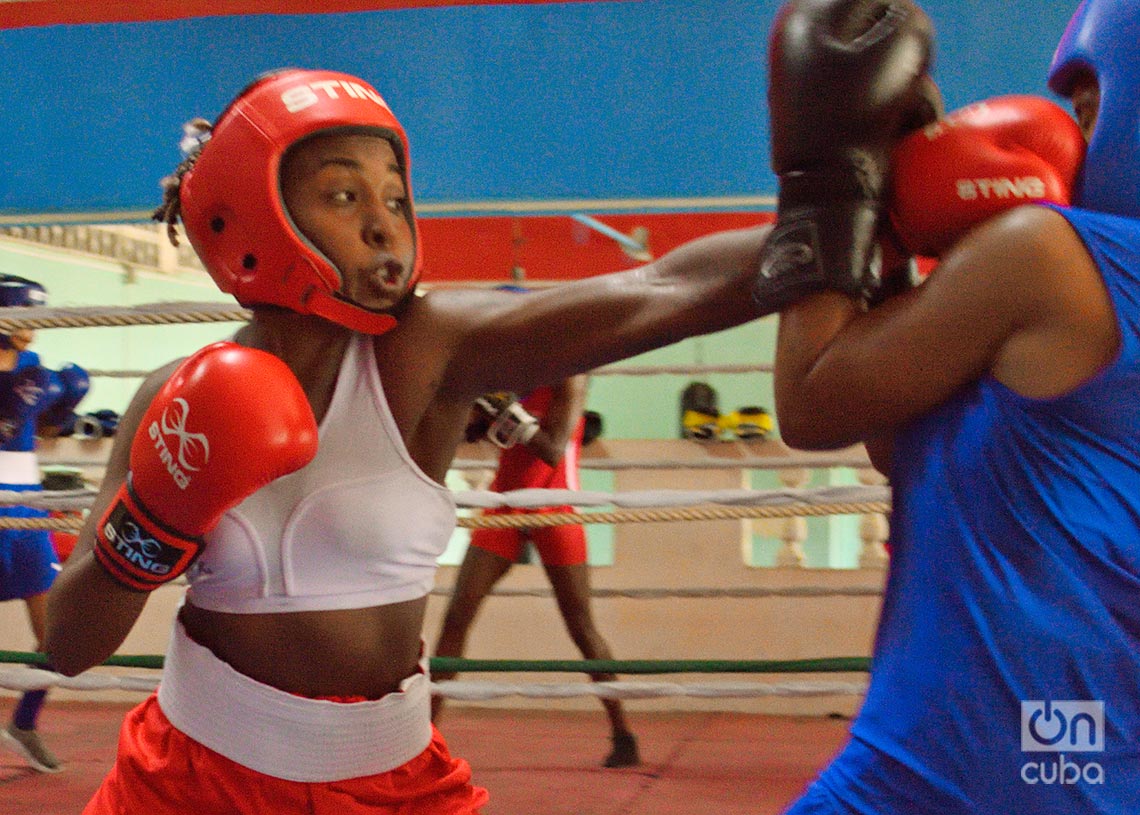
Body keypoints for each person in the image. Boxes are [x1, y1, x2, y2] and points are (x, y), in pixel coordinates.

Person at [42, 68, 775, 814]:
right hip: (193, 783)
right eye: (342, 195)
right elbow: (68, 646)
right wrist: (154, 519)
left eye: (395, 196)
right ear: (254, 213)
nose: (384, 223)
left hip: (393, 784)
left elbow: (658, 291)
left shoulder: (427, 351)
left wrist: (833, 219)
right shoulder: (172, 393)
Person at [760, 0, 1140, 812]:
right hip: (1078, 766)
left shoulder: (1046, 256)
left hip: (944, 771)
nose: (1069, 134)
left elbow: (813, 398)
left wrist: (829, 175)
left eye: (1088, 106)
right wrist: (892, 245)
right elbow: (907, 446)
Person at [433, 354, 640, 769]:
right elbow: (470, 432)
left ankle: (623, 733)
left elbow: (550, 448)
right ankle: (423, 739)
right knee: (456, 616)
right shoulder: (511, 370)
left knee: (582, 627)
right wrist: (470, 416)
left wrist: (507, 415)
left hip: (556, 507)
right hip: (505, 505)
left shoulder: (571, 374)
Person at [0, 274, 89, 773]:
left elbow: (45, 432)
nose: (31, 328)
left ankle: (26, 722)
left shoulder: (34, 367)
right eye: (22, 315)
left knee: (58, 630)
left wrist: (63, 405)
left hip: (27, 508)